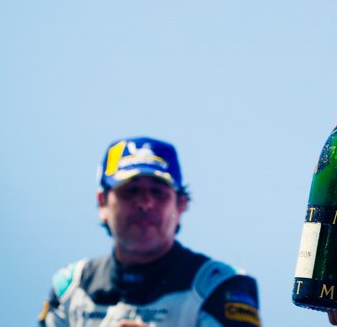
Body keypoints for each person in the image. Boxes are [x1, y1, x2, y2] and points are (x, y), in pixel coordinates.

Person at [39, 137, 261, 326]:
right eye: (131, 190)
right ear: (102, 204)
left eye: (158, 191)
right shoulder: (70, 288)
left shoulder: (220, 285)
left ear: (180, 205)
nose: (145, 203)